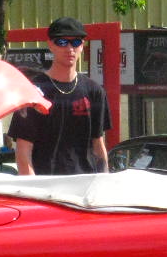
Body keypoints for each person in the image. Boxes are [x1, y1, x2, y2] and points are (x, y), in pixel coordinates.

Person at [8, 17, 111, 175]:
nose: (70, 48)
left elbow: (98, 145)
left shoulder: (95, 91)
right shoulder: (33, 91)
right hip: (46, 186)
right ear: (51, 45)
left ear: (82, 46)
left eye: (76, 42)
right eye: (62, 42)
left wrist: (103, 184)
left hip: (84, 187)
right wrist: (33, 190)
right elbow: (23, 150)